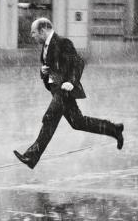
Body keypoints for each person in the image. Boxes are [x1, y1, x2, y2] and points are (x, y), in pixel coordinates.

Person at [13, 18, 124, 169]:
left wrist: (71, 82)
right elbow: (53, 68)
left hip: (64, 91)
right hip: (57, 91)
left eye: (34, 33)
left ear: (43, 30)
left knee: (49, 119)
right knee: (77, 122)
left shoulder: (63, 42)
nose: (32, 36)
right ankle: (114, 129)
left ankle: (31, 156)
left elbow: (78, 62)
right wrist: (43, 72)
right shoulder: (46, 46)